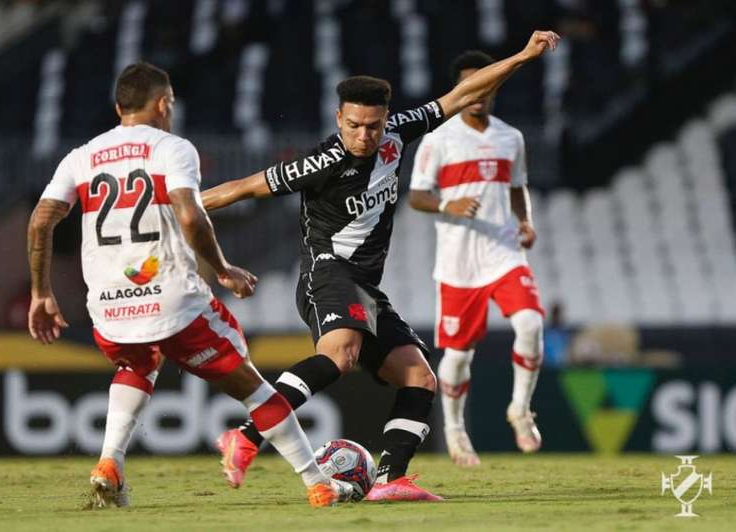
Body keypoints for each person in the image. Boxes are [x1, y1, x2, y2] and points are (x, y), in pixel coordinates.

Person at [200, 32, 560, 499]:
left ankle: (389, 481)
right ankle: (245, 436)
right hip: (326, 273)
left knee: (418, 375)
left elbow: (464, 93)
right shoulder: (322, 161)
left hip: (364, 287)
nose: (364, 136)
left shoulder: (399, 134)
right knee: (341, 355)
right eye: (353, 125)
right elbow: (242, 188)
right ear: (339, 118)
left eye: (372, 125)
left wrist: (525, 55)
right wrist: (174, 206)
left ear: (385, 119)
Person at [26, 62, 352, 509]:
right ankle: (318, 484)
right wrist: (221, 269)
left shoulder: (80, 156)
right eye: (171, 104)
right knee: (256, 389)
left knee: (137, 366)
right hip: (172, 300)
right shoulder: (172, 149)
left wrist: (41, 293)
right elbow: (190, 214)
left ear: (119, 106)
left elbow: (41, 221)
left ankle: (108, 462)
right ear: (164, 104)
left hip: (108, 307)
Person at [408, 50, 546, 467]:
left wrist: (526, 221)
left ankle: (520, 409)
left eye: (487, 84)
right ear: (458, 90)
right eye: (471, 84)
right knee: (460, 355)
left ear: (494, 89)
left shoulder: (510, 137)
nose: (478, 93)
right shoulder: (438, 139)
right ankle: (454, 430)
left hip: (503, 252)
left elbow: (518, 186)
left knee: (531, 322)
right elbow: (416, 195)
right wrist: (448, 205)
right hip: (458, 264)